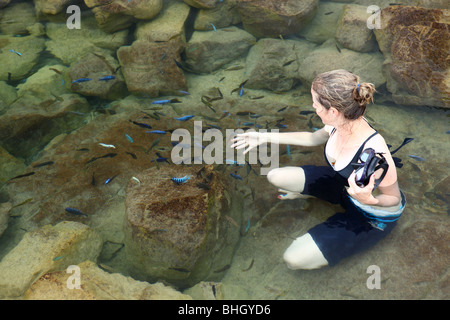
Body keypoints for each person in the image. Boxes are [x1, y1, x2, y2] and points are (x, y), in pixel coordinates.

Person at [230, 69, 406, 270]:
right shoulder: (338, 123)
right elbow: (312, 138)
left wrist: (370, 200)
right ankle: (315, 196)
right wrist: (263, 136)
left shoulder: (375, 154)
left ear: (333, 111)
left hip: (370, 213)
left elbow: (394, 200)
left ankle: (344, 224)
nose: (313, 106)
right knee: (276, 176)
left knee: (293, 260)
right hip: (344, 187)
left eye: (315, 102)